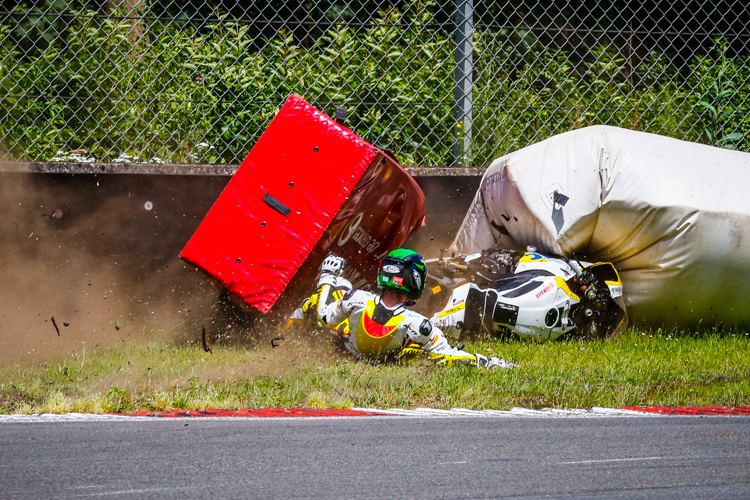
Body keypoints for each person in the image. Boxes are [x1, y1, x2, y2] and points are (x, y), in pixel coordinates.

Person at [312, 249, 515, 368]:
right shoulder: (417, 324)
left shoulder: (356, 298)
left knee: (340, 287)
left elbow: (323, 316)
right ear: (414, 280)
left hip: (349, 352)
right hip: (382, 358)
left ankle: (285, 332)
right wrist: (489, 362)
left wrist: (327, 276)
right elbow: (447, 354)